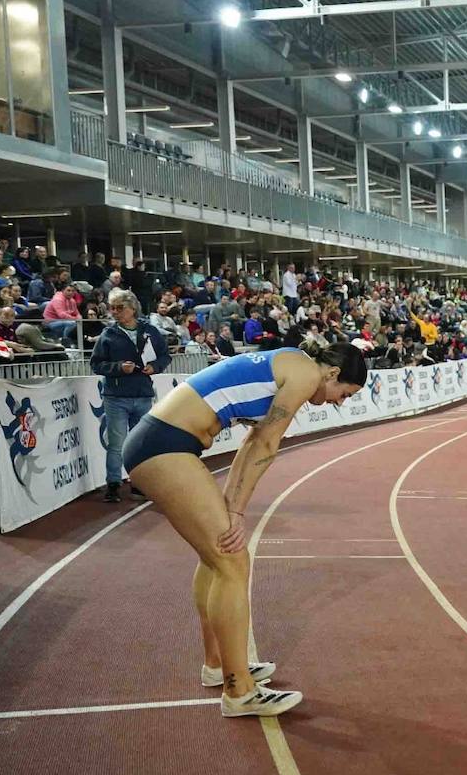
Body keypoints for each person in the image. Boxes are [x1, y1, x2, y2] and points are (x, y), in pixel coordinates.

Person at [124, 341, 366, 717]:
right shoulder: (303, 373)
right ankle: (239, 691)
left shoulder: (292, 364)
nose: (340, 402)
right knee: (232, 559)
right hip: (164, 445)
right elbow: (267, 443)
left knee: (215, 557)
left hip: (163, 442)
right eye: (344, 394)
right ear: (332, 374)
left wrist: (232, 504)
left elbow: (253, 443)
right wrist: (235, 512)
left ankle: (218, 665)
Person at [91, 290, 171, 503]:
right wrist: (118, 367)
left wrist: (155, 366)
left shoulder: (150, 331)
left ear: (132, 308)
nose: (115, 312)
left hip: (143, 394)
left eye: (120, 308)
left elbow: (165, 355)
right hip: (116, 396)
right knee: (117, 443)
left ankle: (138, 483)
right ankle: (114, 484)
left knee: (139, 444)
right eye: (113, 308)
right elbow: (95, 364)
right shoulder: (108, 334)